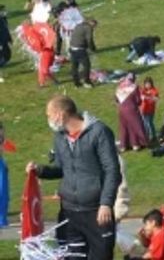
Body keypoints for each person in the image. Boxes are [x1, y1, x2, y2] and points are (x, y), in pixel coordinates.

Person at [29, 95, 122, 260]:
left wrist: (106, 203)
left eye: (49, 115)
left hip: (96, 212)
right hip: (69, 212)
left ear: (61, 114)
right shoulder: (60, 137)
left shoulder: (99, 132)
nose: (48, 119)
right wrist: (40, 170)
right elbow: (61, 168)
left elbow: (112, 170)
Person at [68, 15, 97, 87]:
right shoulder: (88, 28)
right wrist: (92, 48)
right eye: (94, 26)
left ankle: (76, 83)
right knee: (87, 66)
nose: (94, 28)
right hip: (80, 50)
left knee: (74, 66)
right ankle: (87, 81)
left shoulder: (78, 26)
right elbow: (89, 39)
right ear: (92, 23)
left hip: (72, 48)